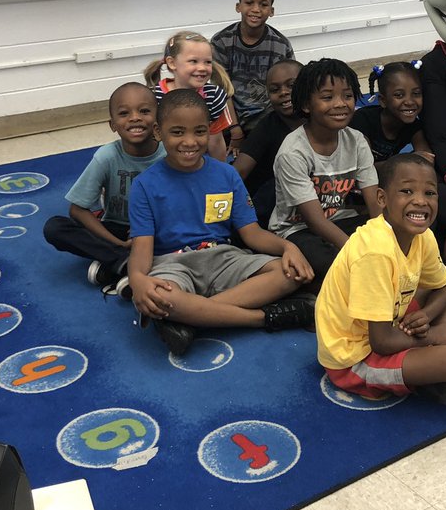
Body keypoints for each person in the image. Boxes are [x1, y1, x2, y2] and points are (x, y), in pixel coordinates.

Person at [123, 89, 316, 355]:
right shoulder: (145, 185)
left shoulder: (227, 174)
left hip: (224, 258)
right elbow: (142, 248)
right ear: (158, 131)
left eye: (199, 131)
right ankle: (263, 317)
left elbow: (251, 234)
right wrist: (137, 279)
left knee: (288, 273)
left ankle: (192, 319)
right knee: (162, 297)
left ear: (210, 130)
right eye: (177, 132)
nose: (190, 142)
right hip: (172, 265)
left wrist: (288, 248)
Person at [315, 153, 446, 407]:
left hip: (393, 321)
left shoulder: (423, 235)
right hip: (356, 357)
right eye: (407, 191)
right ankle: (443, 355)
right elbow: (382, 342)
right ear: (382, 199)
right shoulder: (375, 251)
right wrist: (433, 335)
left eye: (429, 193)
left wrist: (428, 317)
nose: (420, 201)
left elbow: (445, 287)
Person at [42, 82, 165, 289]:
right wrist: (119, 244)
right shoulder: (106, 156)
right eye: (124, 113)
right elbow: (77, 209)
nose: (135, 117)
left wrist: (146, 234)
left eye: (144, 111)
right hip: (116, 230)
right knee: (54, 227)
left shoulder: (169, 155)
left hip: (158, 230)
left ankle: (117, 266)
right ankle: (123, 261)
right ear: (113, 125)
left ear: (157, 120)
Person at [269, 58, 382, 279]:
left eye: (347, 96)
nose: (340, 104)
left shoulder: (356, 140)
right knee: (332, 263)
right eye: (327, 97)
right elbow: (316, 221)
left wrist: (385, 239)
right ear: (306, 105)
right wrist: (356, 253)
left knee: (394, 238)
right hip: (297, 229)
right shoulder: (293, 152)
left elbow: (374, 204)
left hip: (343, 218)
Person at [211, 0, 295, 155]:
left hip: (267, 121)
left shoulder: (281, 45)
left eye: (263, 5)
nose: (256, 9)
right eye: (249, 3)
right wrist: (235, 130)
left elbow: (287, 91)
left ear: (271, 11)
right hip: (229, 122)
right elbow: (221, 91)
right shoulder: (221, 42)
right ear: (238, 6)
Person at [144, 31, 234, 161]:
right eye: (194, 61)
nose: (202, 68)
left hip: (198, 162)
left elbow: (216, 142)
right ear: (172, 63)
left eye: (207, 62)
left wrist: (221, 172)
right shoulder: (152, 98)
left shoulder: (213, 97)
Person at [233, 59, 303, 226]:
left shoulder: (320, 121)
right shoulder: (267, 127)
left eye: (291, 85)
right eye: (274, 89)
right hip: (270, 207)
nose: (283, 92)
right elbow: (239, 171)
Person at [350, 61, 434, 166]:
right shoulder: (363, 119)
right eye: (399, 95)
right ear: (382, 100)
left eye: (416, 94)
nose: (409, 102)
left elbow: (427, 159)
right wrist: (405, 161)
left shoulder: (414, 126)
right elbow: (364, 168)